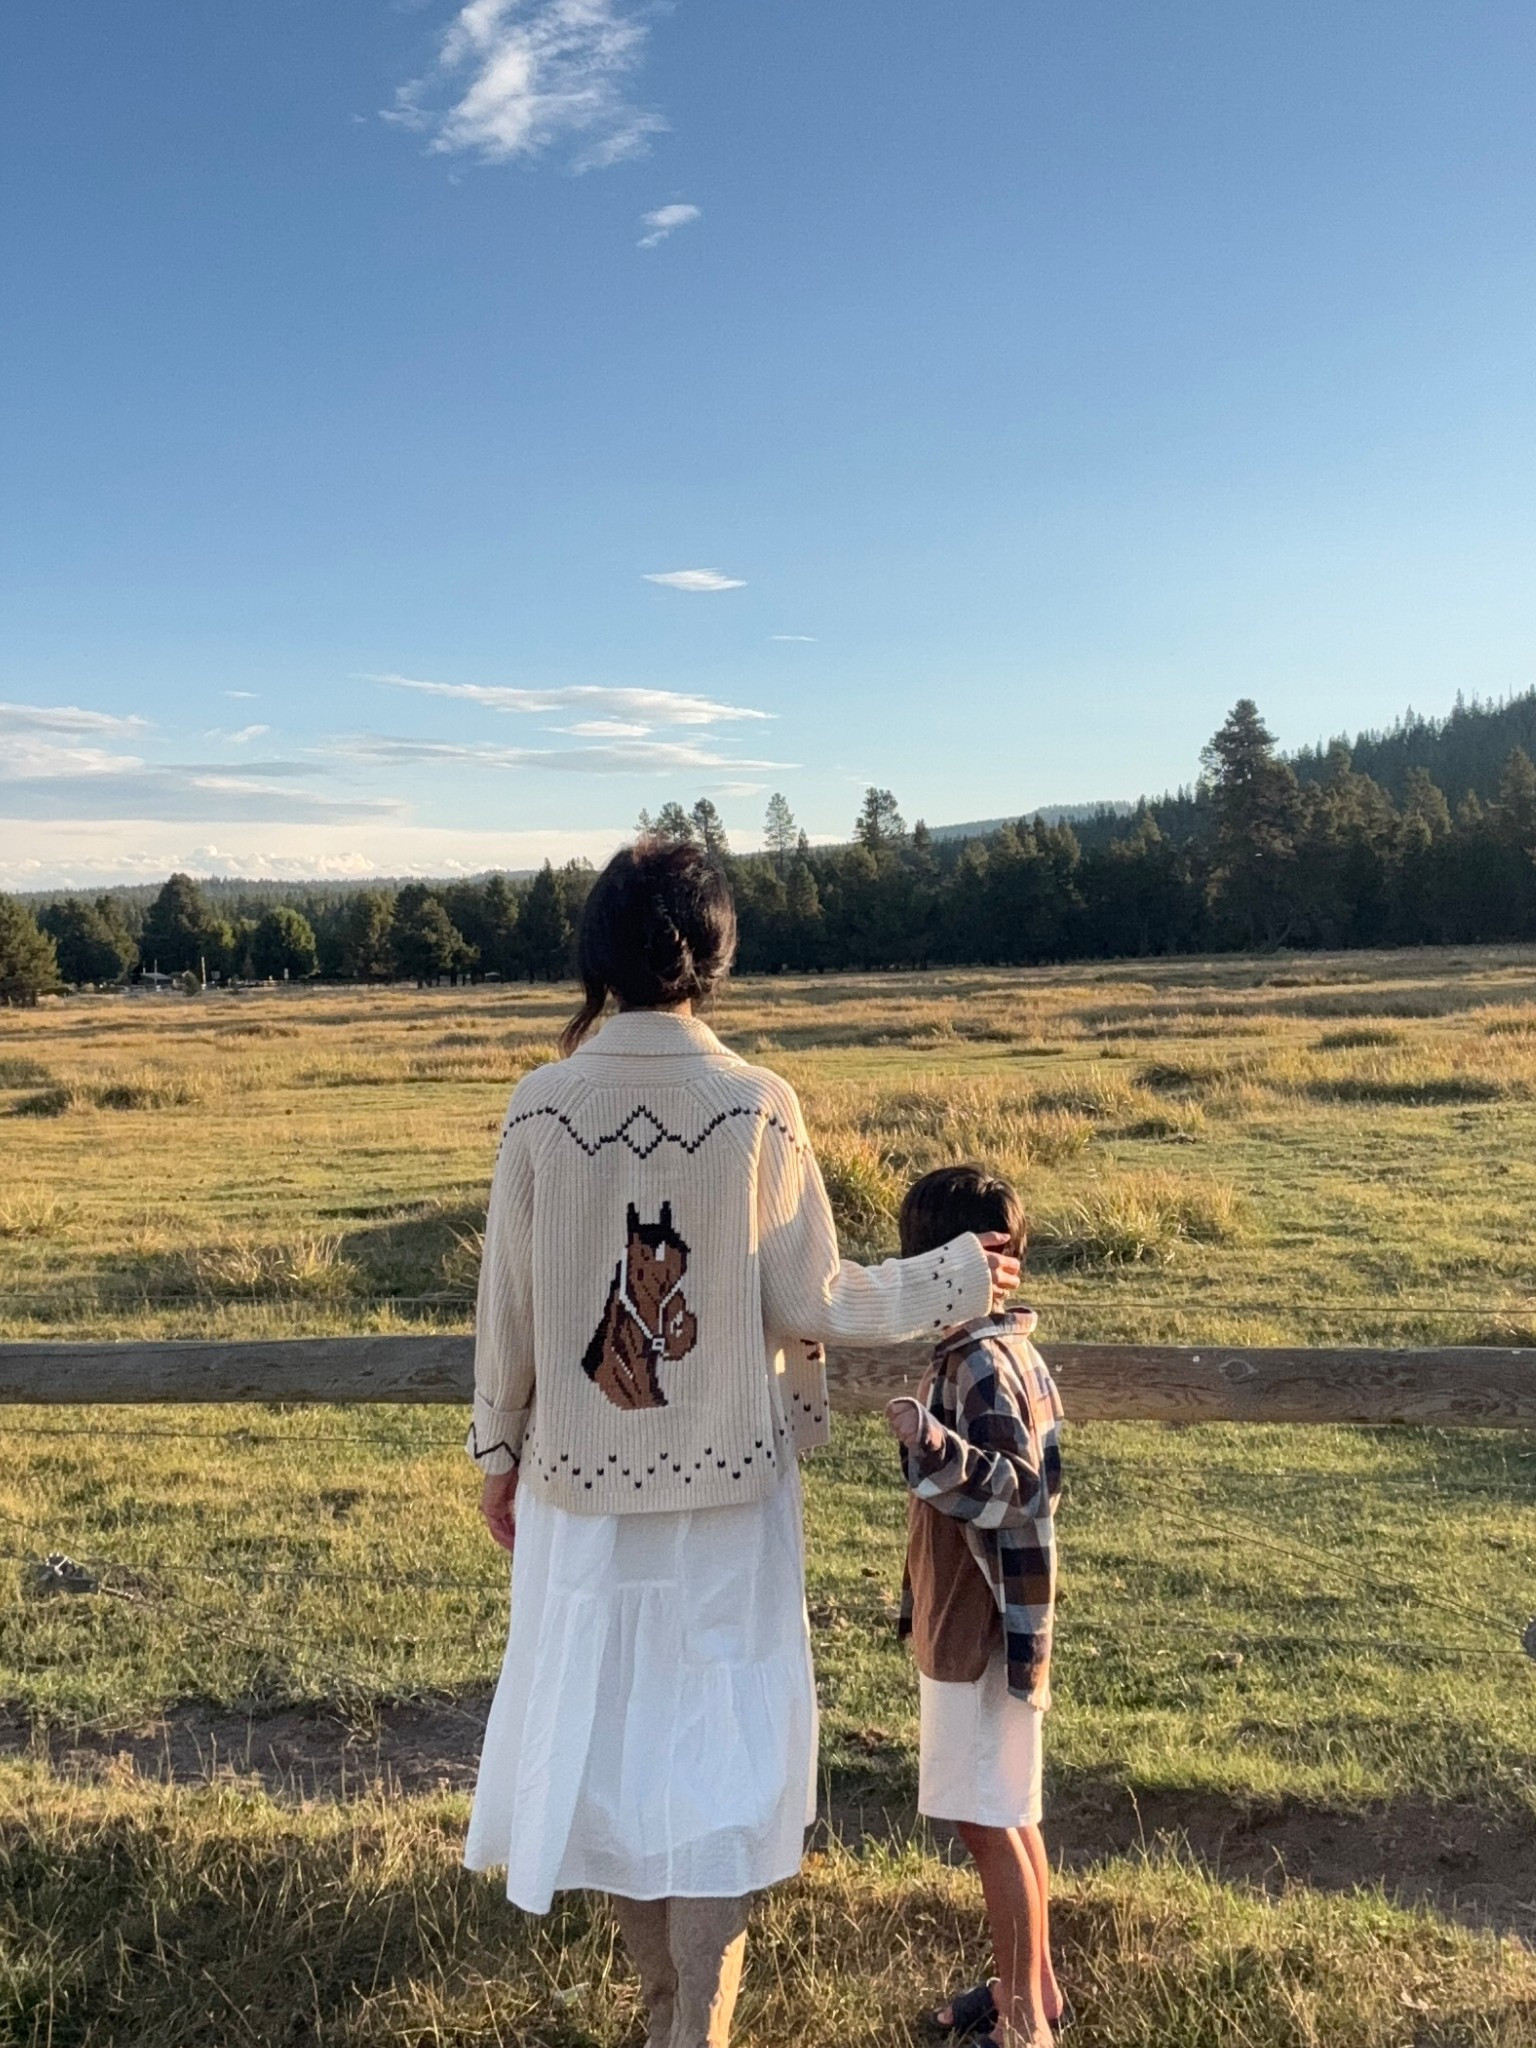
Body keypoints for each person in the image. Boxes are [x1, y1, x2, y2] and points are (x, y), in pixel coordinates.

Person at [464, 839, 1020, 2048]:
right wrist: (959, 1274)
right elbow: (815, 1294)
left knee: (607, 1737)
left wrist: (497, 1452)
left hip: (578, 1490)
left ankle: (667, 2006)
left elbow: (504, 1303)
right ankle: (691, 2021)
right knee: (712, 1752)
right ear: (712, 953)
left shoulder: (539, 1105)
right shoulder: (758, 1104)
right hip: (726, 1493)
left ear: (600, 952)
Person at [884, 1165, 1065, 2048]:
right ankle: (1034, 1989)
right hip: (980, 1618)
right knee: (1008, 1811)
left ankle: (1025, 2024)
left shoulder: (982, 1365)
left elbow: (1022, 1490)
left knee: (986, 1820)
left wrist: (931, 1442)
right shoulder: (992, 1353)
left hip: (984, 1628)